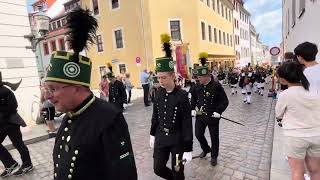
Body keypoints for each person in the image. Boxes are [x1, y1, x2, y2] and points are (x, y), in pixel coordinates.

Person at [43, 8, 137, 180]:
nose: (48, 96)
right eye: (47, 89)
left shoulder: (108, 118)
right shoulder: (69, 115)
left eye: (54, 88)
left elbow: (124, 174)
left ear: (76, 87)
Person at [150, 34, 193, 180]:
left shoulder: (182, 96)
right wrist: (152, 134)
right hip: (161, 137)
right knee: (158, 168)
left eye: (164, 77)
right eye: (158, 77)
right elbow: (155, 115)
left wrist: (188, 148)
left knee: (177, 171)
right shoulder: (158, 93)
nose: (160, 80)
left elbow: (187, 122)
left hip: (177, 140)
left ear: (173, 76)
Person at [275, 61, 320, 180]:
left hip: (295, 136)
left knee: (297, 172)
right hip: (316, 134)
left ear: (283, 79)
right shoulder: (314, 91)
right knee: (315, 171)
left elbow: (278, 114)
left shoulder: (285, 94)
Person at [191, 53, 229, 166]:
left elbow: (225, 101)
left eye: (200, 77)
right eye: (198, 76)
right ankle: (206, 149)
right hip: (200, 116)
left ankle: (214, 156)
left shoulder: (216, 86)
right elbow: (193, 98)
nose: (198, 78)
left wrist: (219, 111)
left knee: (214, 138)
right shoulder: (196, 87)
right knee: (198, 134)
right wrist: (192, 108)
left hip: (213, 117)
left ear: (207, 76)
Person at [0, 72, 33, 177]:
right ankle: (10, 163)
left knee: (18, 144)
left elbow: (13, 106)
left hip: (11, 122)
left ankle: (27, 164)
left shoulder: (5, 91)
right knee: (18, 144)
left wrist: (2, 114)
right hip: (2, 123)